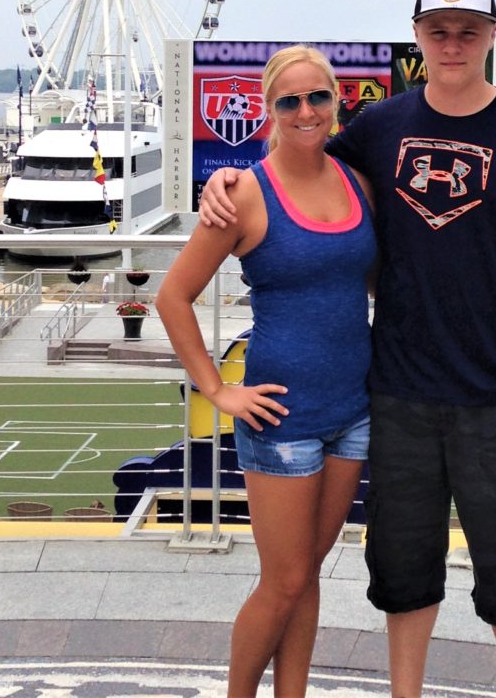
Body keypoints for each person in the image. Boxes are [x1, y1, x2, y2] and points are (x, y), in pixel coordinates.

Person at [199, 0, 496, 698]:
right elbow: (296, 164)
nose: (452, 42)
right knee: (404, 576)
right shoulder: (377, 132)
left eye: (468, 29)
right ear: (416, 37)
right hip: (399, 396)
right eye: (438, 29)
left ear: (492, 36)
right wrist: (224, 180)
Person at [157, 45, 377, 697]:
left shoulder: (357, 182)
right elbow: (172, 297)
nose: (305, 111)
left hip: (353, 414)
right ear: (268, 110)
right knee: (282, 581)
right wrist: (218, 388)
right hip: (282, 421)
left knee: (307, 574)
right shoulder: (244, 195)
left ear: (336, 102)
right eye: (289, 101)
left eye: (318, 98)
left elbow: (368, 282)